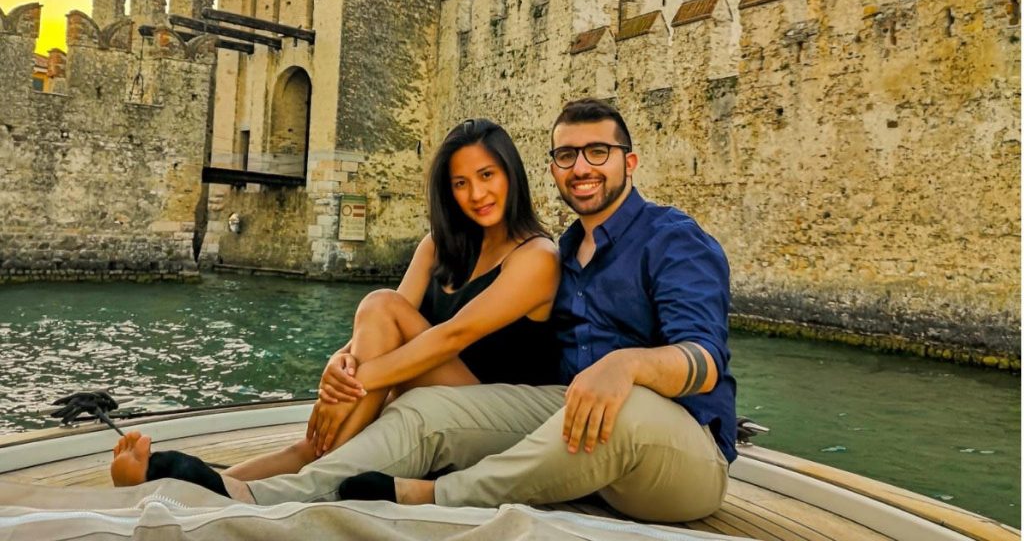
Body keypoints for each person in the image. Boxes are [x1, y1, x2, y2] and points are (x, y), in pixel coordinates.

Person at [111, 98, 736, 523]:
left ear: (629, 161)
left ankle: (433, 493)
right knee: (426, 409)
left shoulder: (671, 239)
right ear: (549, 168)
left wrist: (626, 365)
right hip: (569, 422)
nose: (581, 167)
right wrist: (352, 360)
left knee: (614, 402)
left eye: (597, 152)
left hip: (678, 457)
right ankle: (250, 492)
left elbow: (704, 360)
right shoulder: (571, 248)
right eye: (567, 155)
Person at [109, 118, 561, 494]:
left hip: (485, 412)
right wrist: (340, 363)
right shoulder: (438, 246)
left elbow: (453, 335)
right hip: (426, 388)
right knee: (332, 412)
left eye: (487, 176)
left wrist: (357, 379)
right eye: (460, 183)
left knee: (377, 313)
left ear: (511, 175)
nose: (476, 194)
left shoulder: (536, 257)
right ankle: (208, 487)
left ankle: (227, 483)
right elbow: (380, 324)